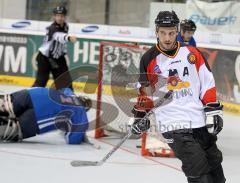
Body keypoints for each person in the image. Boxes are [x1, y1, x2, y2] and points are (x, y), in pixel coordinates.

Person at [131, 11, 225, 183]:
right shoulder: (149, 59)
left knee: (216, 173)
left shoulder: (192, 52)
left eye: (171, 33)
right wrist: (140, 116)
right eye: (163, 33)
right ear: (156, 32)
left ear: (177, 31)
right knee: (199, 175)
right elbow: (145, 93)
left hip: (198, 120)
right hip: (172, 123)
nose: (167, 38)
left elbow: (207, 83)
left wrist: (212, 109)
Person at [0, 87, 91, 144]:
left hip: (33, 95)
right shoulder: (81, 115)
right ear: (85, 109)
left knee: (3, 105)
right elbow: (72, 140)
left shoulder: (69, 92)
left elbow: (64, 89)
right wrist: (81, 133)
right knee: (9, 128)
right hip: (39, 116)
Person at [32, 6, 77, 90]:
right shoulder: (52, 28)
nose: (60, 18)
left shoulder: (66, 26)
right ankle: (29, 98)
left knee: (66, 82)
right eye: (57, 15)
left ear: (65, 17)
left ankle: (69, 100)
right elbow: (59, 36)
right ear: (54, 17)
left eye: (62, 16)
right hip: (45, 58)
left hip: (58, 58)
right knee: (41, 82)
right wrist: (69, 38)